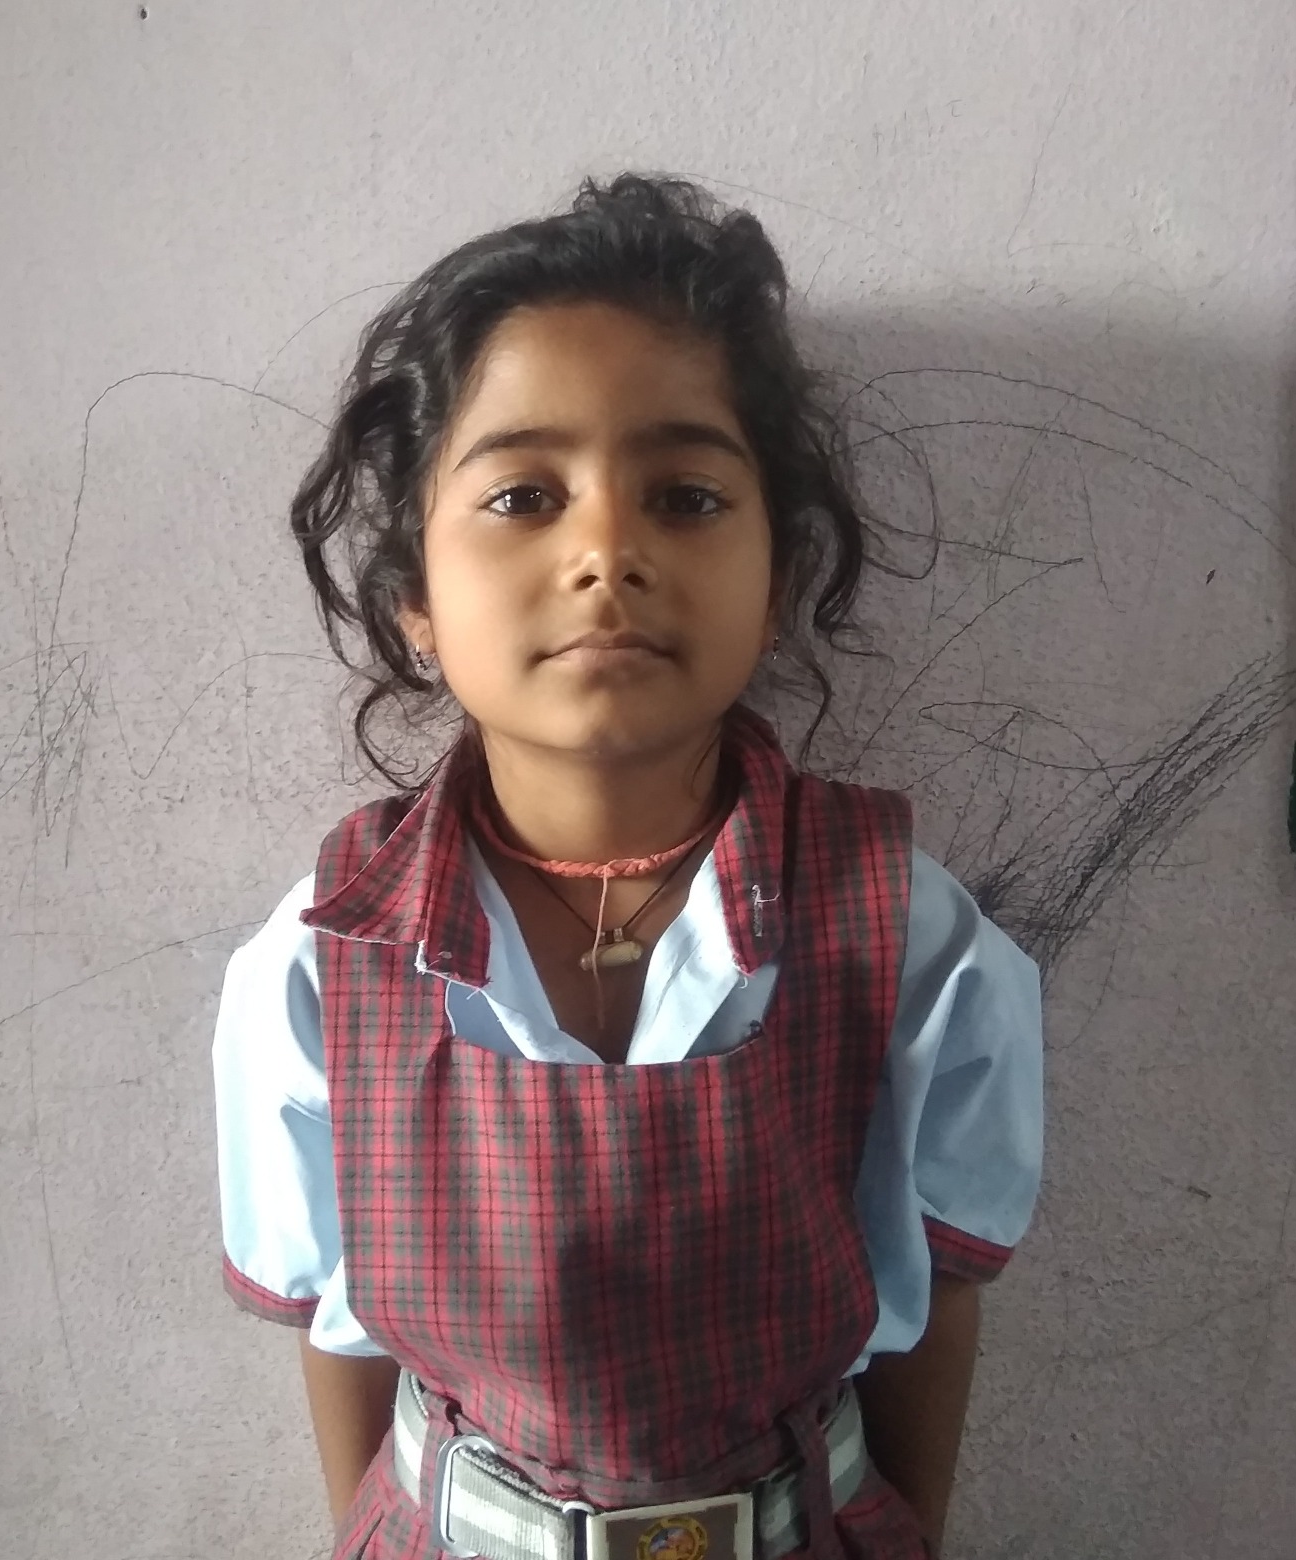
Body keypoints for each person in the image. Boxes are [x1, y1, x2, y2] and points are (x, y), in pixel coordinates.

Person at [212, 174, 1043, 1560]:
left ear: (776, 583)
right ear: (416, 599)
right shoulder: (323, 959)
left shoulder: (907, 937)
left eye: (687, 495)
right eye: (522, 495)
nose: (606, 550)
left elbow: (935, 1301)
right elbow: (336, 1332)